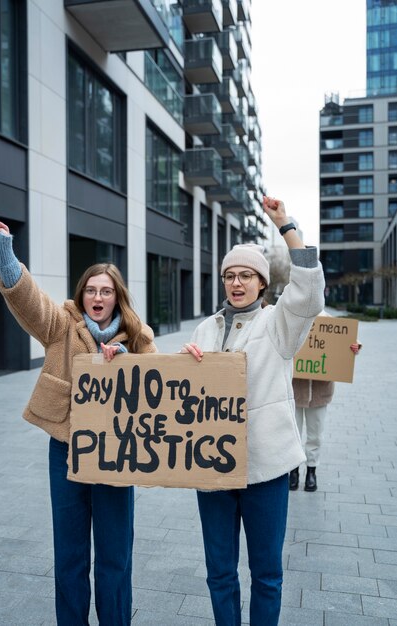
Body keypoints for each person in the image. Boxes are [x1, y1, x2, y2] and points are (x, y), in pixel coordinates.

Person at [0, 221, 157, 626]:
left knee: (115, 555)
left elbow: (159, 384)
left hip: (117, 455)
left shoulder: (138, 336)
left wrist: (127, 362)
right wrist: (5, 257)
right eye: (91, 290)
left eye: (106, 290)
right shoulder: (62, 325)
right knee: (70, 553)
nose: (98, 296)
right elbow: (30, 302)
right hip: (66, 449)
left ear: (117, 298)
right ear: (83, 295)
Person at [181, 196, 325, 626]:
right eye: (229, 276)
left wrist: (285, 225)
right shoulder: (205, 328)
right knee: (220, 573)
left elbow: (309, 292)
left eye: (246, 275)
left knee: (266, 574)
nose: (236, 283)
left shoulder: (279, 324)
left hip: (266, 470)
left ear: (262, 283)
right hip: (213, 469)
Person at [290, 338, 362, 492]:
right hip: (295, 390)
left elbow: (347, 341)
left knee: (315, 435)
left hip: (319, 392)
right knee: (293, 434)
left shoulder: (328, 323)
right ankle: (293, 471)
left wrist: (355, 347)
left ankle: (311, 471)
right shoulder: (296, 318)